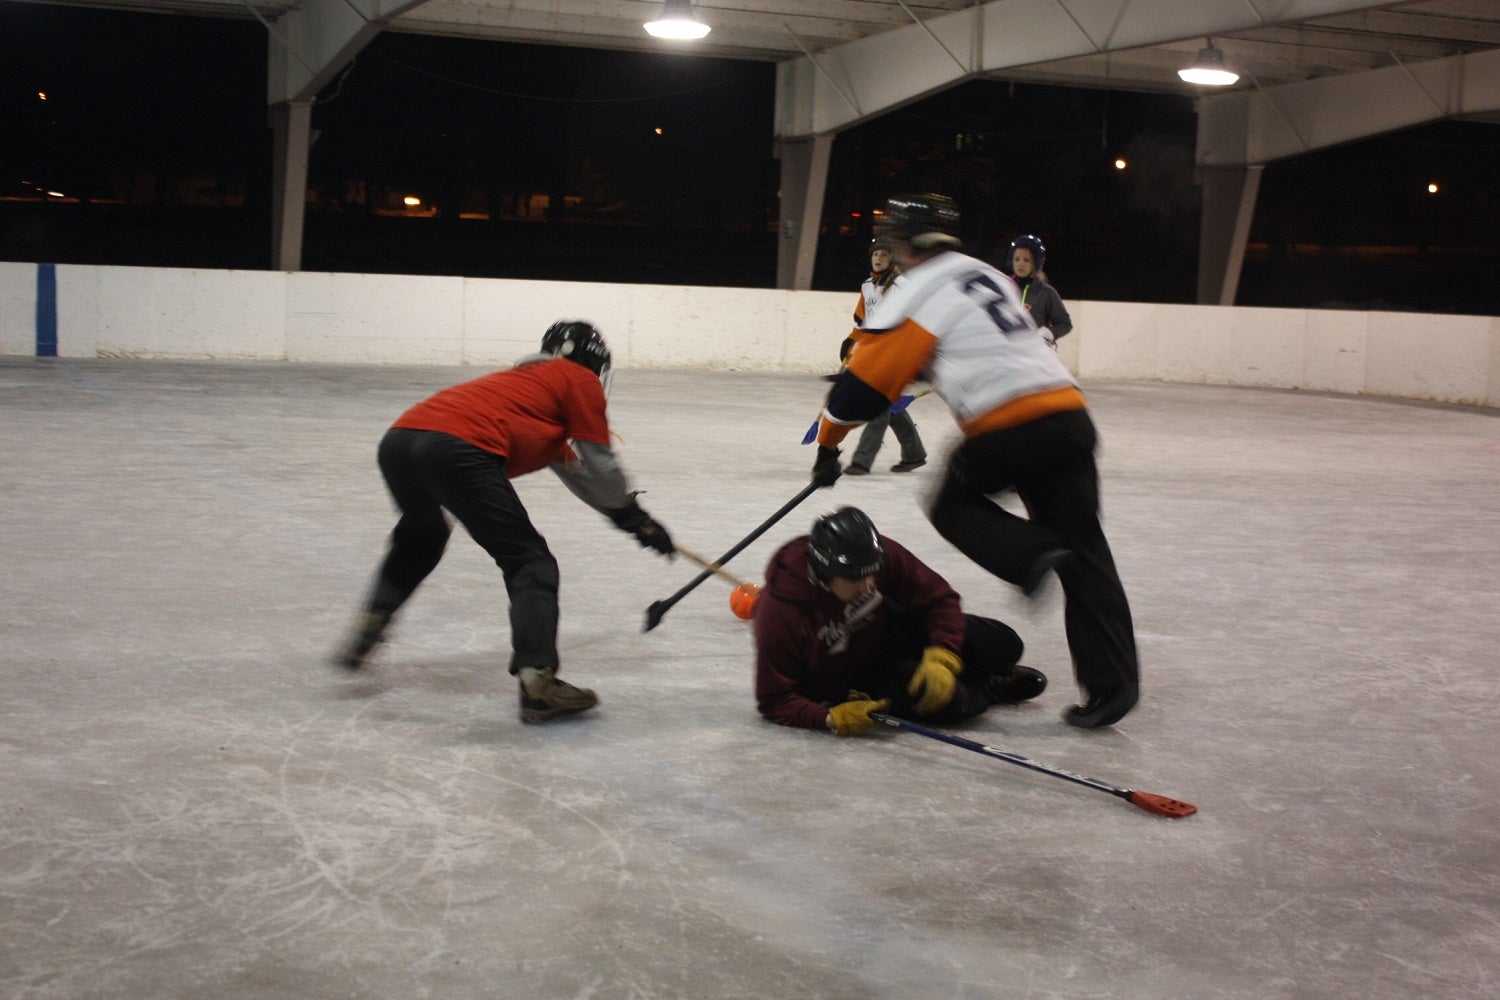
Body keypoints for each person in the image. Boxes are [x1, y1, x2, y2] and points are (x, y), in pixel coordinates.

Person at [809, 194, 1139, 729]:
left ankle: (1033, 553)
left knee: (949, 502)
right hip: (1070, 416)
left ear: (903, 243)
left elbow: (859, 396)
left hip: (1008, 424)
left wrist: (827, 447)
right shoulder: (981, 272)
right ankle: (1113, 687)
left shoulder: (915, 291)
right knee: (1088, 552)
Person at [334, 320, 676, 722]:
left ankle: (373, 620)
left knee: (423, 535)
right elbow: (599, 462)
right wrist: (632, 513)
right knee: (529, 560)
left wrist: (630, 520)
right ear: (591, 364)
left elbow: (580, 475)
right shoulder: (576, 380)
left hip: (401, 440)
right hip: (456, 447)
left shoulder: (525, 389)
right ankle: (539, 683)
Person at [754, 506, 1045, 735]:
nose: (869, 585)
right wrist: (830, 718)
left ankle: (976, 670)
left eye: (872, 573)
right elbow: (774, 700)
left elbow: (940, 598)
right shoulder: (780, 614)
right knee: (949, 700)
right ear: (824, 574)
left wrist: (943, 655)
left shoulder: (876, 555)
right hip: (861, 680)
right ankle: (990, 687)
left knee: (1003, 643)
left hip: (892, 631)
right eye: (856, 579)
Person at [842, 238, 927, 476]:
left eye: (884, 255)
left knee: (877, 405)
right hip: (874, 352)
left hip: (894, 353)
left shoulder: (900, 285)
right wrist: (852, 340)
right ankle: (914, 454)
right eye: (875, 254)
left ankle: (862, 460)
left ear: (892, 260)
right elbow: (862, 320)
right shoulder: (867, 286)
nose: (878, 258)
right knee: (889, 405)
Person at [1005, 234, 1073, 348]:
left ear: (1035, 264)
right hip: (1009, 355)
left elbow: (1065, 324)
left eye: (1026, 260)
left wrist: (1049, 333)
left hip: (1035, 355)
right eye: (1017, 259)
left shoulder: (1046, 293)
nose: (1020, 263)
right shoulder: (1004, 287)